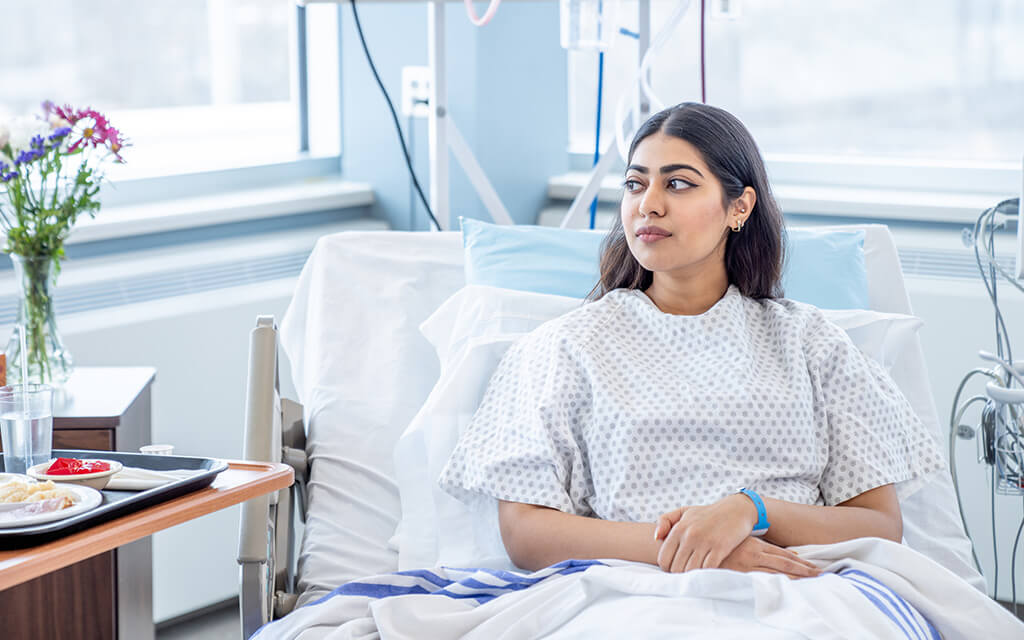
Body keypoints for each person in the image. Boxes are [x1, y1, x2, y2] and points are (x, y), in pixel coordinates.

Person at [439, 102, 944, 579]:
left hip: (801, 587)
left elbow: (880, 526)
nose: (648, 205)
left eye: (677, 184)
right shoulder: (564, 348)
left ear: (739, 207)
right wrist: (700, 553)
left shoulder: (811, 344)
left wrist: (751, 511)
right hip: (629, 589)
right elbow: (527, 532)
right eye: (635, 184)